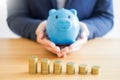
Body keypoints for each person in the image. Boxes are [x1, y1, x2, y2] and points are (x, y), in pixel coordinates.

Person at [7, 0, 114, 58]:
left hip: (85, 54)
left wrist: (86, 29)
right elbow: (15, 17)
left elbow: (106, 16)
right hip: (34, 52)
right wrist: (38, 27)